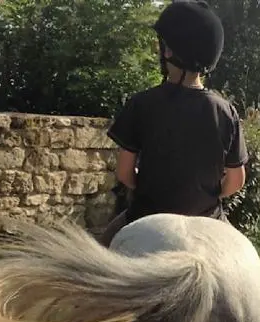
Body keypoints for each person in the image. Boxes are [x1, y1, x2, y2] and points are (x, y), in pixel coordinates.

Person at [99, 0, 248, 247]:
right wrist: (210, 195)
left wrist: (148, 189)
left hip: (146, 214)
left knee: (102, 249)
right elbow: (236, 181)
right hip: (208, 217)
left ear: (168, 51)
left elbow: (124, 173)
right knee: (245, 259)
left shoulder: (141, 104)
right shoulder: (226, 111)